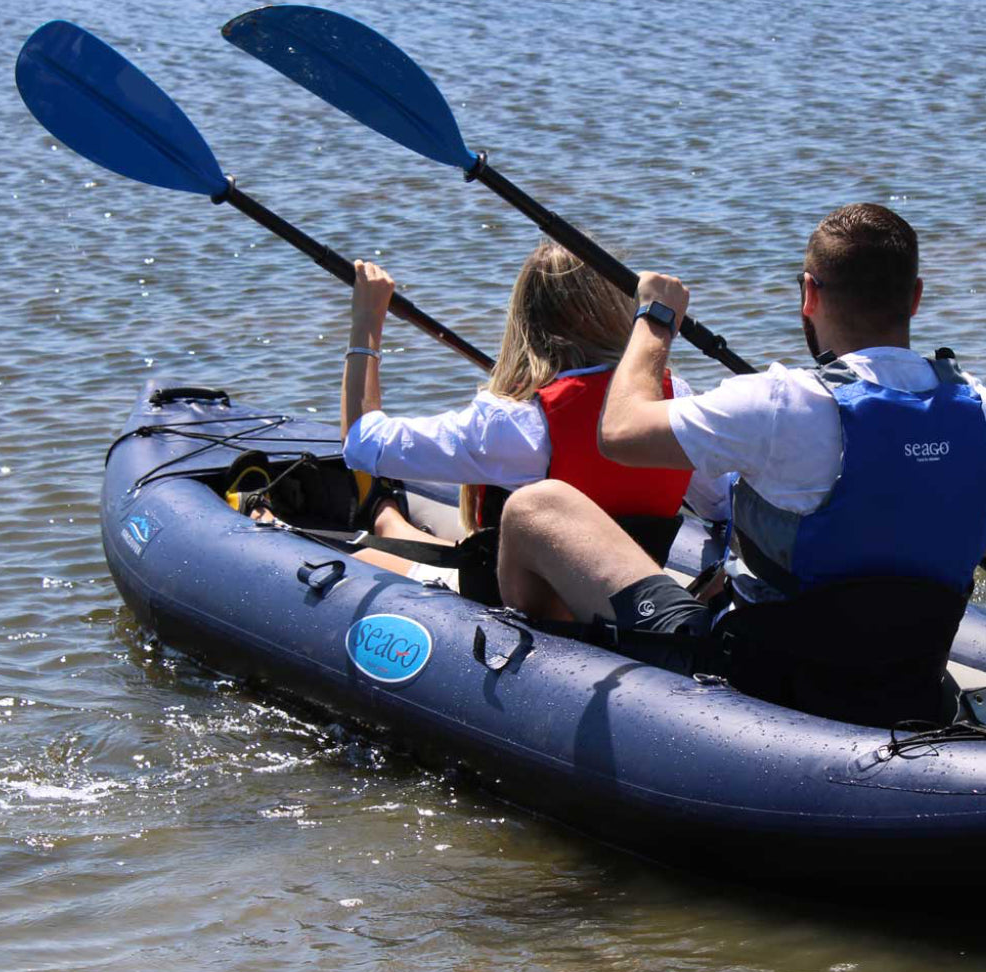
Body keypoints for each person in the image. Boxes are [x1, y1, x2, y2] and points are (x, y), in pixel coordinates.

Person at [496, 204, 986, 727]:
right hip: (907, 682)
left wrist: (656, 320)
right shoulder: (976, 406)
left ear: (809, 295)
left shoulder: (778, 403)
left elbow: (619, 432)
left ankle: (548, 677)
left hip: (757, 686)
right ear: (915, 296)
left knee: (536, 506)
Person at [339, 241, 730, 601]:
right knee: (414, 535)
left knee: (362, 557)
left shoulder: (515, 424)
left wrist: (368, 320)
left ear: (525, 320)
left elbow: (360, 443)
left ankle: (376, 518)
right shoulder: (674, 399)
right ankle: (387, 516)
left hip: (526, 603)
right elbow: (719, 504)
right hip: (623, 599)